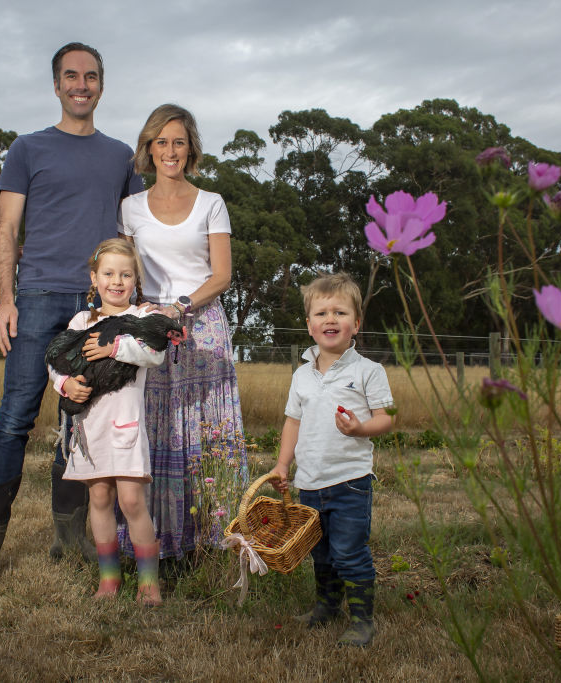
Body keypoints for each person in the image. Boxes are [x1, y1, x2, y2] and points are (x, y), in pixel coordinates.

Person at [0, 42, 144, 593]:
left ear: (101, 85)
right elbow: (8, 229)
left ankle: (70, 536)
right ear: (56, 85)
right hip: (36, 296)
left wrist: (131, 307)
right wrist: (6, 298)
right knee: (16, 416)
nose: (80, 84)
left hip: (94, 306)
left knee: (79, 418)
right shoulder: (27, 149)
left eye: (90, 76)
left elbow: (129, 239)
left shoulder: (121, 157)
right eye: (70, 76)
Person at [117, 104, 247, 561]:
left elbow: (222, 275)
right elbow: (129, 271)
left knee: (203, 431)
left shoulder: (211, 202)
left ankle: (210, 545)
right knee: (157, 430)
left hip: (203, 327)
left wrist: (181, 306)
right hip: (151, 330)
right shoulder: (130, 208)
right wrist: (143, 314)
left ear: (190, 147)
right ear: (148, 149)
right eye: (161, 142)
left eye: (178, 142)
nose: (170, 151)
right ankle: (156, 547)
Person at [269, 272, 395, 647]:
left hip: (350, 481)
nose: (330, 319)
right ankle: (327, 606)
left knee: (349, 552)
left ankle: (362, 619)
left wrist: (360, 429)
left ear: (356, 323)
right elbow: (293, 421)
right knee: (320, 553)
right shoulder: (302, 376)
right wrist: (282, 465)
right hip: (309, 481)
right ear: (309, 325)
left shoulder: (368, 371)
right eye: (321, 313)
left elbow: (387, 417)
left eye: (340, 312)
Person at [49, 238, 166, 606]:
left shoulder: (144, 319)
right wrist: (64, 384)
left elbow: (154, 354)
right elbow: (57, 360)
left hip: (125, 426)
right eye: (109, 273)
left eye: (126, 274)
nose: (117, 281)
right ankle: (109, 579)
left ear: (136, 280)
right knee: (99, 497)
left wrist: (112, 348)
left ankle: (149, 585)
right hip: (89, 427)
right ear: (94, 278)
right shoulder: (82, 320)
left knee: (131, 501)